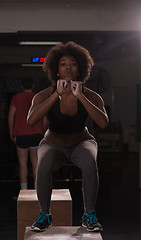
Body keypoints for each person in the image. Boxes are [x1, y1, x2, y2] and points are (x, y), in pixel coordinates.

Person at [27, 41, 109, 232]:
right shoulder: (43, 95)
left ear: (80, 68)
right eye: (63, 63)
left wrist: (80, 96)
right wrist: (56, 94)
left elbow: (103, 123)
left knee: (90, 160)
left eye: (73, 63)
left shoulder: (91, 95)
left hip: (81, 141)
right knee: (44, 163)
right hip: (52, 143)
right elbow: (31, 121)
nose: (68, 67)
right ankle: (44, 215)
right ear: (56, 69)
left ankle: (89, 215)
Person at [8, 77, 47, 190]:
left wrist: (11, 131)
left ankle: (24, 190)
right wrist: (43, 131)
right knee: (36, 163)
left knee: (22, 163)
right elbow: (44, 118)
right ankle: (36, 190)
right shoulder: (38, 98)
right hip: (36, 134)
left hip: (20, 134)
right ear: (33, 86)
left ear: (21, 86)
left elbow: (11, 116)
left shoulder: (16, 98)